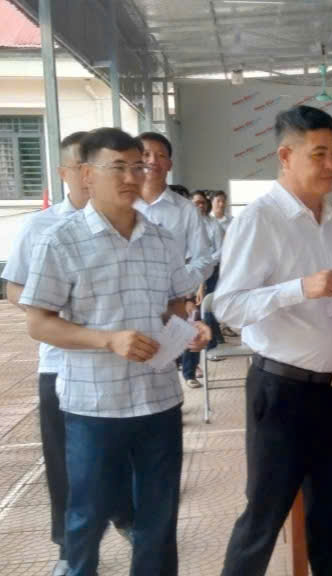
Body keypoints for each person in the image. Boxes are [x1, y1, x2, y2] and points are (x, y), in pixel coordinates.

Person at [19, 127, 210, 576]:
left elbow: (172, 305)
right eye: (118, 167)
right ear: (87, 174)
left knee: (159, 517)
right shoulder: (61, 241)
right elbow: (39, 322)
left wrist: (189, 328)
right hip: (95, 405)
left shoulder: (161, 239)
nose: (131, 177)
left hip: (158, 400)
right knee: (87, 515)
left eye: (138, 166)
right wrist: (106, 339)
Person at [215, 106, 332, 576]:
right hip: (282, 392)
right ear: (286, 156)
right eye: (319, 154)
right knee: (263, 520)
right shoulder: (259, 220)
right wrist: (298, 288)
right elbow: (228, 306)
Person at [2, 132, 90, 576]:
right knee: (64, 463)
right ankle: (70, 549)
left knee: (126, 458)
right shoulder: (40, 227)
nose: (91, 177)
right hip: (60, 364)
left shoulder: (132, 225)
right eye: (81, 168)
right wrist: (50, 309)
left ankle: (125, 518)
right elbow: (14, 287)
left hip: (120, 366)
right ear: (65, 172)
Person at [135, 132, 215, 289]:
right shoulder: (121, 205)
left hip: (170, 298)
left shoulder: (186, 210)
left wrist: (177, 283)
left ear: (169, 164)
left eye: (160, 156)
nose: (153, 161)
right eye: (146, 154)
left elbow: (204, 260)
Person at [181, 191, 226, 388]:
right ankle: (189, 372)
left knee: (207, 315)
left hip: (210, 273)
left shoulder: (213, 224)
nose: (200, 206)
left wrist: (205, 264)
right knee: (192, 321)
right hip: (186, 274)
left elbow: (220, 250)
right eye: (196, 203)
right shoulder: (183, 224)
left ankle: (211, 347)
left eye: (202, 203)